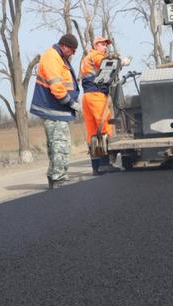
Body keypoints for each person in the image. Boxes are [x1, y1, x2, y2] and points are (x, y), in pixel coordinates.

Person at [30, 34, 82, 189]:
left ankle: (55, 177)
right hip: (53, 109)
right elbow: (57, 87)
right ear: (65, 46)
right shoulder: (52, 57)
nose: (72, 54)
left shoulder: (59, 57)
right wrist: (72, 103)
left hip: (58, 110)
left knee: (56, 145)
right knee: (60, 146)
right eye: (72, 50)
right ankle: (59, 179)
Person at [80, 36, 119, 175]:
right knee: (103, 127)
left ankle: (95, 166)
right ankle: (105, 163)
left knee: (91, 132)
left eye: (106, 44)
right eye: (102, 44)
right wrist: (117, 60)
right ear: (96, 45)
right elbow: (105, 63)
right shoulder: (97, 55)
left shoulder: (85, 59)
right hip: (96, 95)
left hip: (86, 97)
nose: (105, 47)